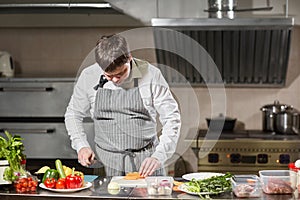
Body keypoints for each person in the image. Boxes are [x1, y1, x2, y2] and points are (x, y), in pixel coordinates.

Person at [65, 34, 181, 177]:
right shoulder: (89, 75)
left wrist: (159, 156)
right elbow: (73, 114)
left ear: (129, 58)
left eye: (120, 74)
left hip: (146, 163)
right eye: (108, 76)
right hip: (106, 163)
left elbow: (171, 118)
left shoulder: (151, 74)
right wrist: (81, 145)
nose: (114, 80)